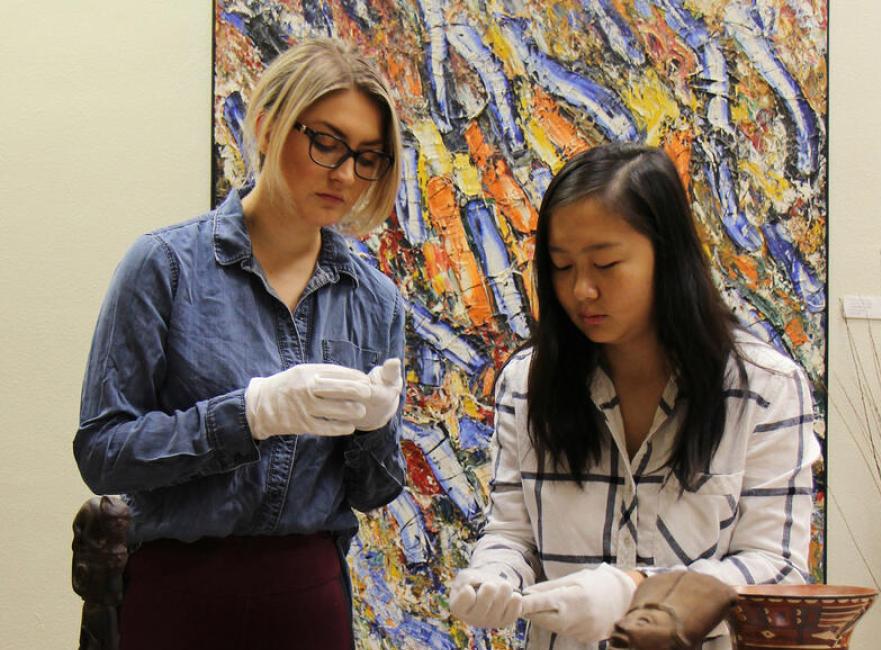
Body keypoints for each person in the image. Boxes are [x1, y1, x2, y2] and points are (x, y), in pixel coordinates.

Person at [74, 38, 406, 650]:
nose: (344, 173)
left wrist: (375, 427)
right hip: (177, 591)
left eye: (367, 157)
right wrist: (246, 415)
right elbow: (102, 452)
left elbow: (374, 491)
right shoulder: (165, 267)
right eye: (326, 141)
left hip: (307, 596)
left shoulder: (375, 301)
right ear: (267, 123)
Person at [448, 144, 819, 649]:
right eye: (561, 267)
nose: (581, 290)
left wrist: (639, 591)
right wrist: (493, 575)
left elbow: (776, 569)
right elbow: (514, 534)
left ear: (667, 257)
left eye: (605, 264)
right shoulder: (528, 383)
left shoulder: (764, 389)